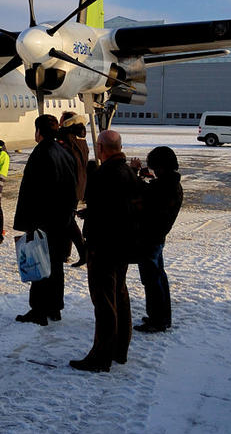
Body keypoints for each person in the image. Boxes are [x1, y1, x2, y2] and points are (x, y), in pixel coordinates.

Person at [70, 129, 142, 372]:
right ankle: (120, 350)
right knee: (119, 297)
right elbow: (119, 207)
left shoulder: (105, 174)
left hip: (104, 247)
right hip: (122, 246)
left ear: (101, 148)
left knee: (104, 303)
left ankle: (101, 356)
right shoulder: (128, 172)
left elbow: (106, 211)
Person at [13, 114, 78, 326]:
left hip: (43, 220)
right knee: (56, 265)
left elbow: (35, 191)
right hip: (62, 219)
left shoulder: (41, 153)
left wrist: (30, 223)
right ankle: (55, 307)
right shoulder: (64, 152)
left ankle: (39, 310)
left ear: (38, 131)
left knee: (39, 265)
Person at [129, 146, 183, 333]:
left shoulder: (163, 186)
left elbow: (144, 197)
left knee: (152, 280)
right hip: (157, 237)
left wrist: (134, 174)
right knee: (158, 277)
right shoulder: (170, 183)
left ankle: (158, 319)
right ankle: (161, 316)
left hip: (150, 237)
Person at [58, 112, 89, 267]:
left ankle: (83, 252)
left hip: (69, 186)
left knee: (68, 220)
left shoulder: (67, 139)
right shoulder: (80, 139)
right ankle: (66, 253)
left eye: (61, 122)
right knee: (67, 219)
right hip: (78, 184)